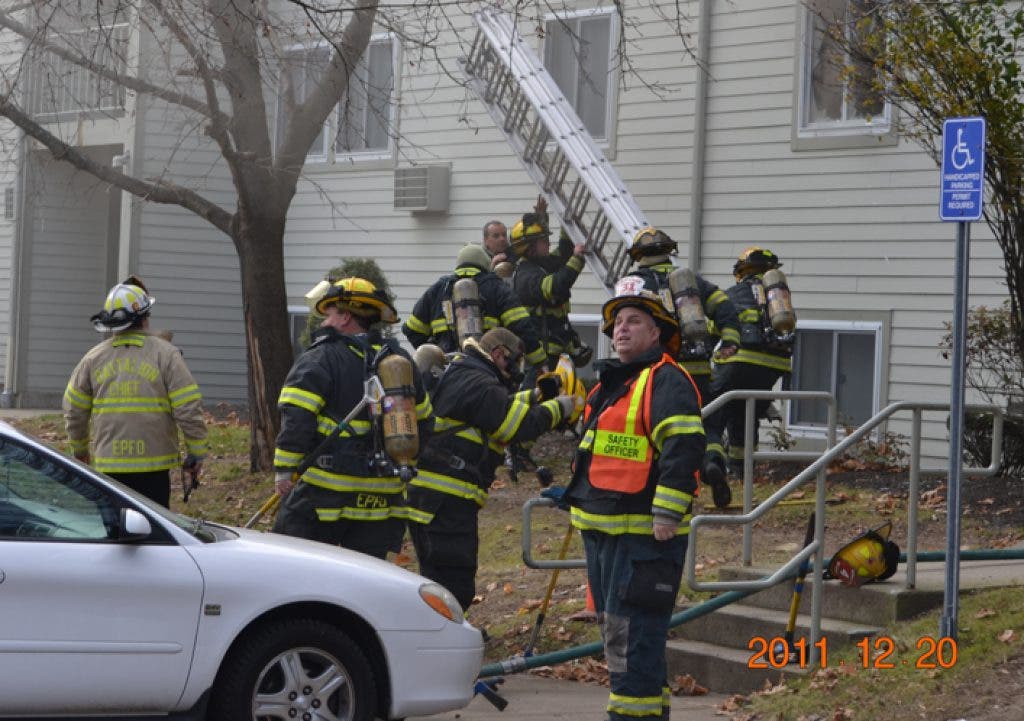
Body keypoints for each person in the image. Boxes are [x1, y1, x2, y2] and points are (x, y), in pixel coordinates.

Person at [564, 275, 705, 721]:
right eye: (617, 323)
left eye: (633, 321)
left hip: (645, 540)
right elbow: (597, 452)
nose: (621, 329)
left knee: (632, 642)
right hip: (604, 532)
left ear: (655, 332)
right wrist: (571, 494)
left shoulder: (666, 381)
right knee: (622, 639)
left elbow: (683, 450)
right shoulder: (611, 383)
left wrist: (666, 512)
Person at [406, 328, 579, 610]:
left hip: (430, 497)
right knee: (454, 582)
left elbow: (498, 408)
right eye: (517, 360)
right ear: (499, 355)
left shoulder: (467, 372)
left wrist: (536, 395)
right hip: (446, 500)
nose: (518, 369)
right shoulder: (480, 383)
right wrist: (561, 408)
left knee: (438, 576)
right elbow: (513, 426)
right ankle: (446, 639)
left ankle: (442, 631)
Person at [272, 276, 433, 559]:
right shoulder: (401, 361)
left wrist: (285, 470)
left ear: (346, 316)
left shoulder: (321, 358)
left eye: (330, 314)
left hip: (325, 495)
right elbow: (425, 421)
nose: (323, 322)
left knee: (292, 570)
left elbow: (297, 416)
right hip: (383, 499)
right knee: (369, 584)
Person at [63, 277, 208, 507]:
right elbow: (188, 406)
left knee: (114, 533)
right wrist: (196, 453)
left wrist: (80, 451)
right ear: (144, 318)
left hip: (109, 467)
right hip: (154, 468)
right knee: (155, 534)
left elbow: (73, 410)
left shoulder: (92, 359)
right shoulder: (166, 355)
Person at [626, 226, 741, 508]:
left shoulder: (634, 284)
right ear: (669, 252)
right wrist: (729, 339)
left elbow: (623, 323)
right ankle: (712, 463)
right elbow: (724, 306)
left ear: (638, 255)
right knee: (708, 423)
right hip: (698, 367)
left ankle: (665, 482)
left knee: (662, 427)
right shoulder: (690, 282)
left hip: (660, 370)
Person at [704, 246, 795, 483]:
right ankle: (742, 471)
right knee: (746, 411)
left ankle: (712, 462)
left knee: (713, 408)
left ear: (741, 272)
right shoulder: (779, 299)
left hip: (740, 360)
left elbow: (713, 333)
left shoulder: (732, 294)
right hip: (773, 367)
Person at [402, 244, 546, 368]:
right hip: (488, 370)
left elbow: (411, 330)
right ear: (486, 264)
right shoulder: (497, 287)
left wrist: (435, 352)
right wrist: (540, 362)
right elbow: (522, 326)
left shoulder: (439, 289)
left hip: (447, 371)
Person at [509, 198, 591, 372]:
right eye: (543, 240)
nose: (548, 242)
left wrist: (565, 222)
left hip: (558, 353)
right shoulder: (525, 275)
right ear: (530, 247)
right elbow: (555, 287)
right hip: (542, 361)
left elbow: (563, 253)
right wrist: (577, 259)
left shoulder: (540, 264)